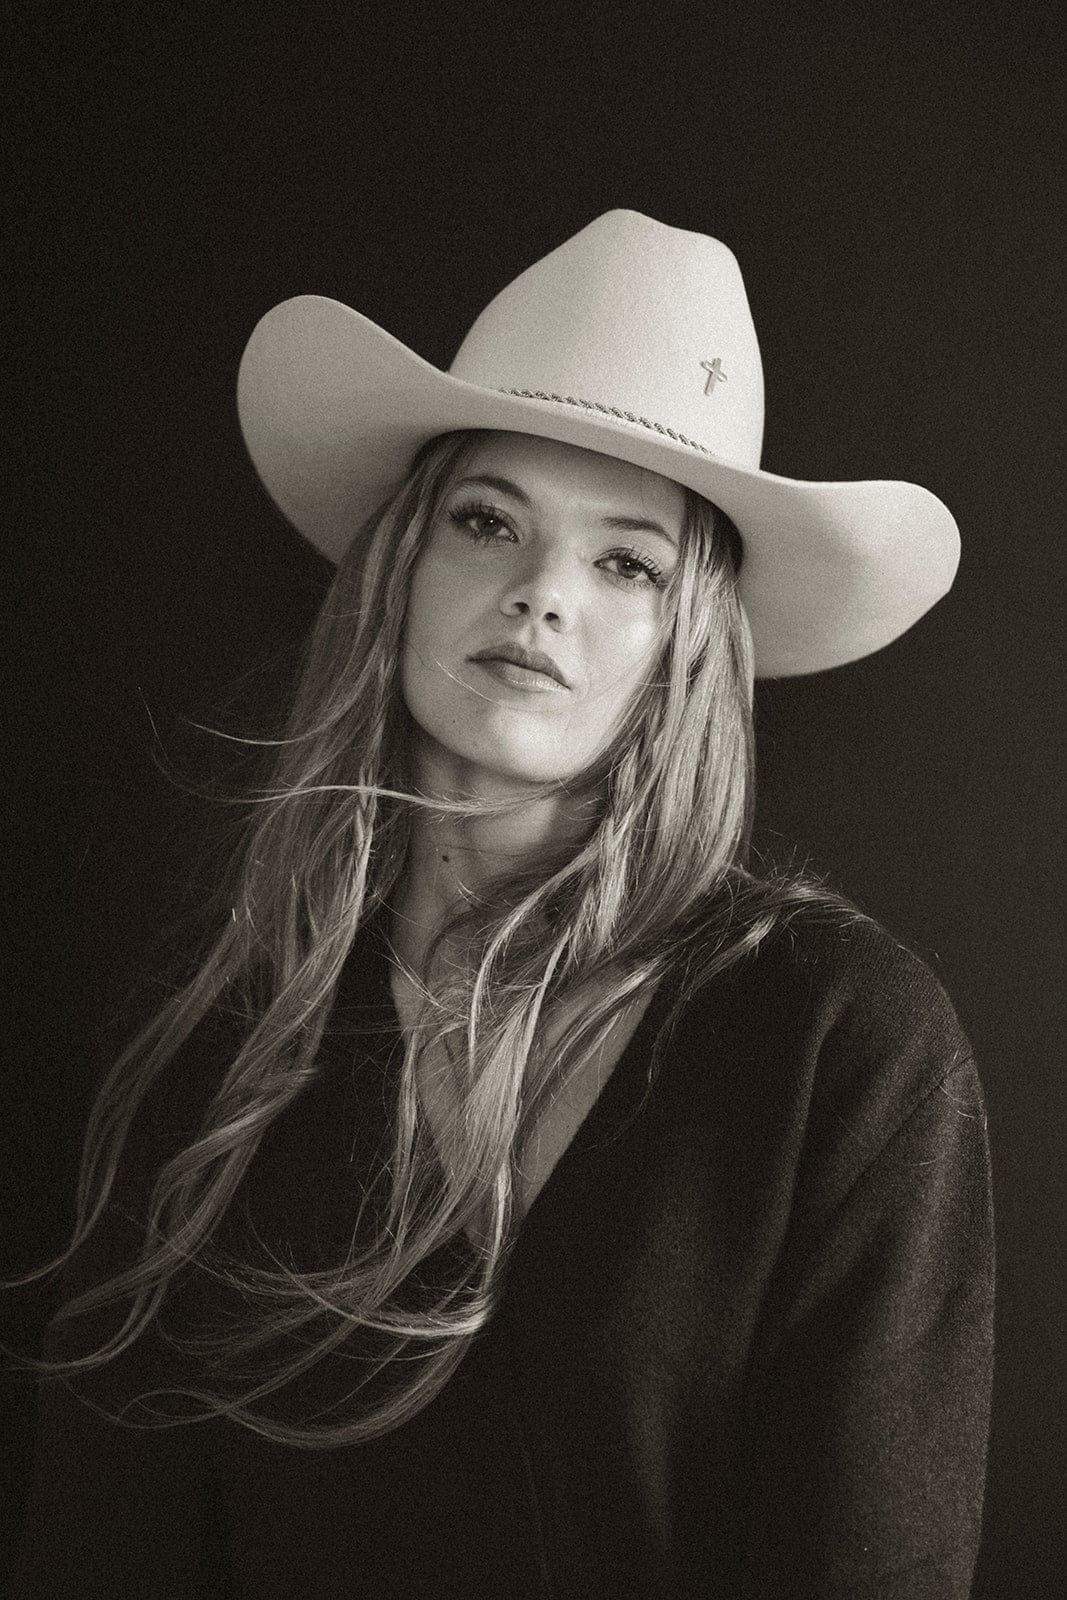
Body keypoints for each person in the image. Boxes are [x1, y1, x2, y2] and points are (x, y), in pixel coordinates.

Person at [5, 210, 993, 1598]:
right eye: (488, 522)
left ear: (686, 645)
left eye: (626, 562)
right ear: (401, 571)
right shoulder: (218, 1059)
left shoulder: (838, 1043)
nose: (541, 597)